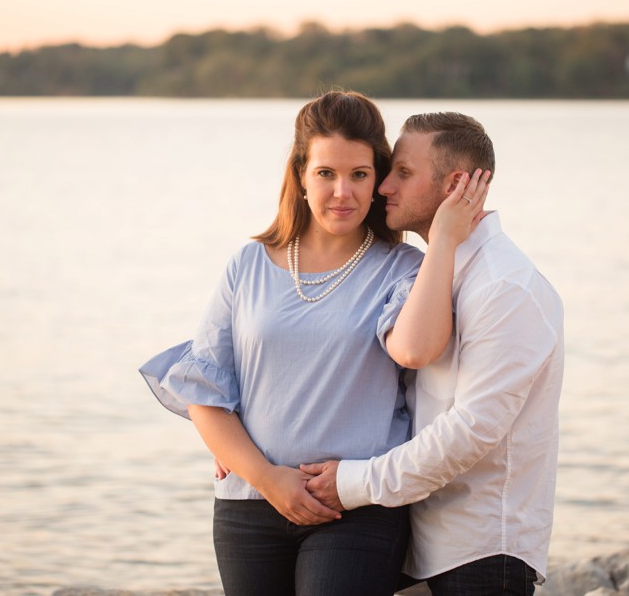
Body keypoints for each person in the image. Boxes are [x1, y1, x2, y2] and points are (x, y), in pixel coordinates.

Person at [139, 92, 489, 596]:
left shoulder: (405, 269)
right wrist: (264, 476)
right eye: (326, 173)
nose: (342, 192)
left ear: (379, 181)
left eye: (360, 175)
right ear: (301, 175)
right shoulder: (248, 264)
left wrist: (444, 241)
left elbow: (422, 348)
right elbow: (205, 393)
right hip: (248, 506)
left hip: (354, 509)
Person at [303, 112, 565, 596]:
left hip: (482, 552)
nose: (383, 187)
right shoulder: (433, 274)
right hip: (418, 543)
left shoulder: (506, 287)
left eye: (403, 172)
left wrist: (353, 483)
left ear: (456, 185)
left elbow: (470, 432)